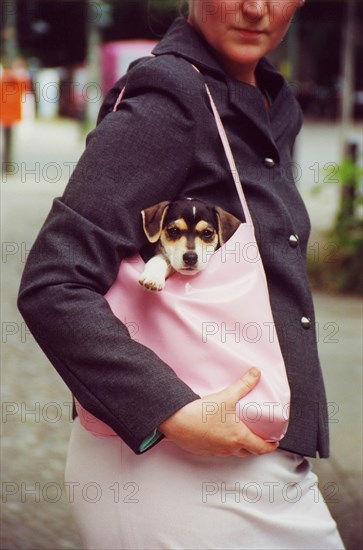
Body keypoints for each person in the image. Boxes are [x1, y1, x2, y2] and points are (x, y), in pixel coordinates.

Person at [18, 1, 345, 548]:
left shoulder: (273, 102)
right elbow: (54, 283)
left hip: (261, 461)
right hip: (171, 471)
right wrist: (169, 408)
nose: (256, 7)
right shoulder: (170, 98)